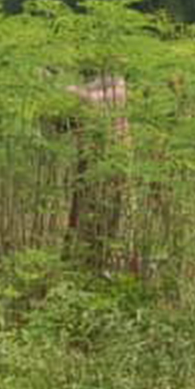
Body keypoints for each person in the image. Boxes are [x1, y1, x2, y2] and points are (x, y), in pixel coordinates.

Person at [63, 66, 131, 271]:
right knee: (88, 213)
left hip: (106, 158)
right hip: (99, 158)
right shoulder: (108, 84)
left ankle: (93, 265)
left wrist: (53, 83)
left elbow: (85, 100)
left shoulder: (114, 87)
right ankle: (84, 263)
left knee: (98, 213)